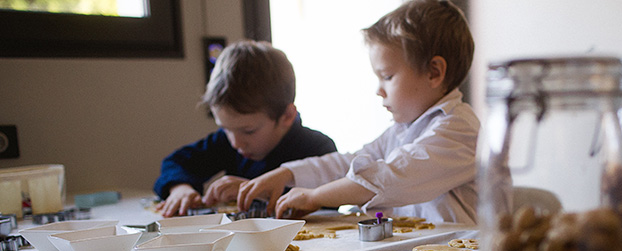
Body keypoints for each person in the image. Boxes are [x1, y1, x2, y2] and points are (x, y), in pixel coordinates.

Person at [236, 0, 479, 224]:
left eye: (387, 76)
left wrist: (315, 197)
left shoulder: (459, 128)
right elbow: (350, 162)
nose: (379, 90)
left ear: (434, 73)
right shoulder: (401, 131)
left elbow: (391, 177)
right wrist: (287, 173)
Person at [153, 40, 337, 217]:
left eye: (248, 131)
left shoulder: (318, 148)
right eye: (225, 129)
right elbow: (175, 162)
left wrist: (257, 191)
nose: (236, 142)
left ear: (286, 117)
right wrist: (180, 188)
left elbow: (328, 200)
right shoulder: (227, 141)